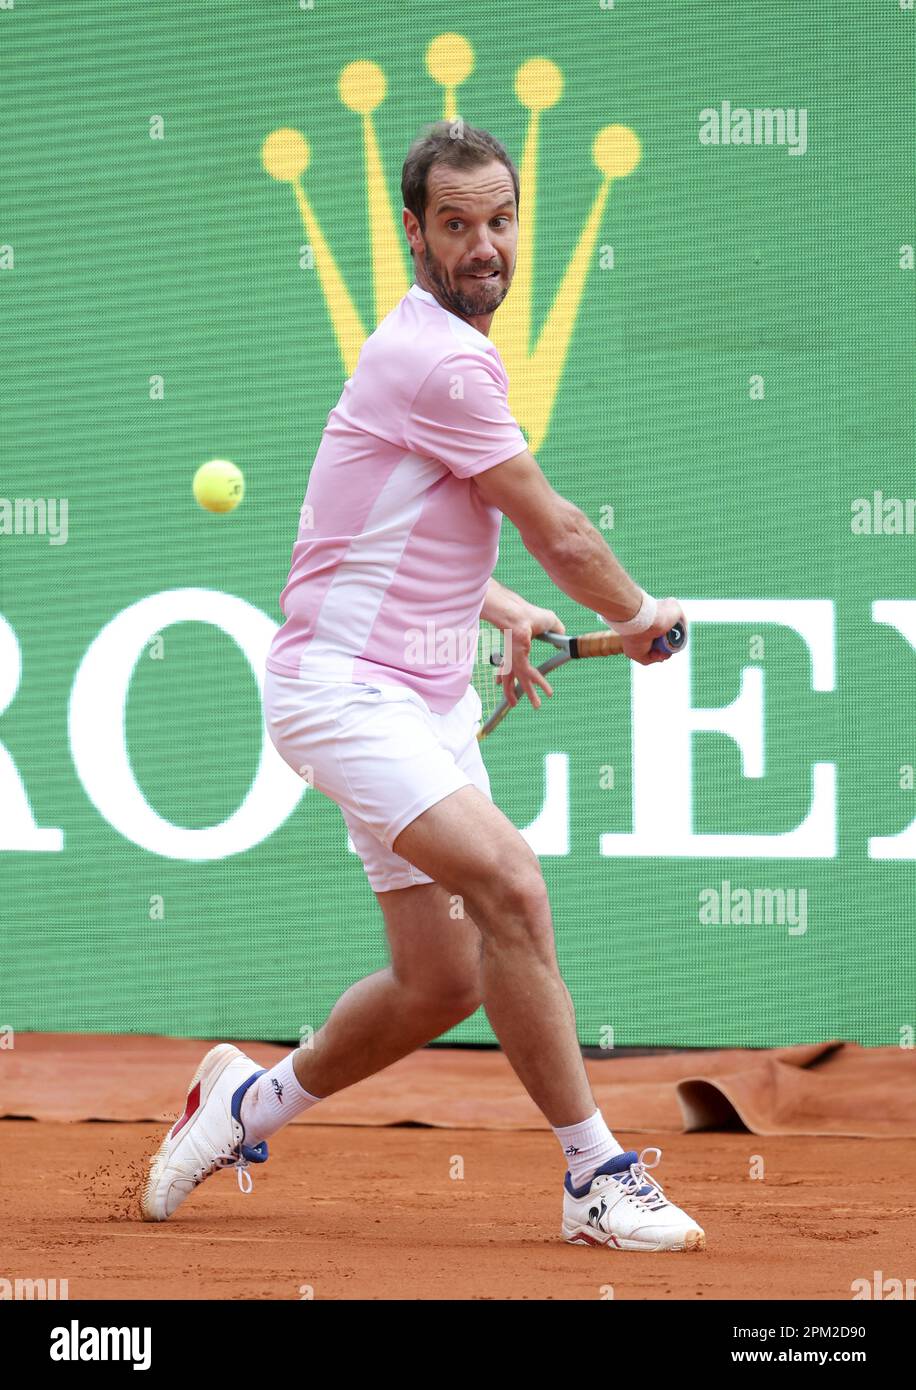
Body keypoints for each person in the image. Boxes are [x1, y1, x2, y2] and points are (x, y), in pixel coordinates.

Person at [141, 121, 703, 1252]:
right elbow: (559, 527)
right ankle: (594, 1174)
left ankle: (242, 1104)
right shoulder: (440, 359)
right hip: (343, 695)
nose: (485, 245)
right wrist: (635, 619)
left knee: (438, 979)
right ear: (415, 231)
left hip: (419, 696)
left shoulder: (434, 350)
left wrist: (490, 606)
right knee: (510, 881)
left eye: (500, 220)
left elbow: (364, 524)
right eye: (457, 224)